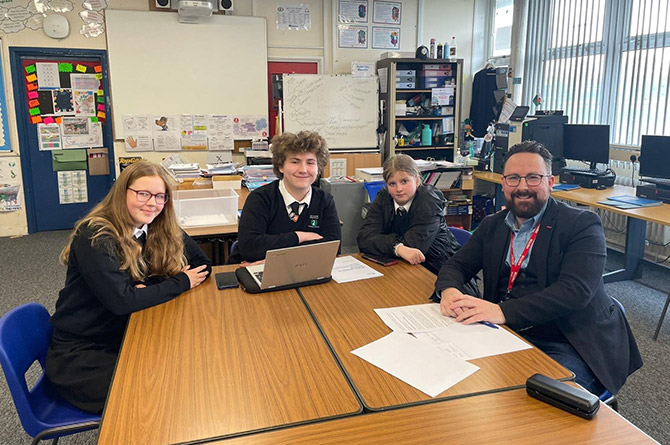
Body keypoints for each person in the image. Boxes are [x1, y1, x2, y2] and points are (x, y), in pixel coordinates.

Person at [434, 140, 642, 395]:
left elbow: (575, 291)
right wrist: (449, 291)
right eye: (513, 178)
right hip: (505, 333)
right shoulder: (492, 225)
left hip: (568, 339)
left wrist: (502, 311)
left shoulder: (582, 225)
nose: (522, 187)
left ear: (550, 182)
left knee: (537, 404)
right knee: (455, 381)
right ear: (503, 182)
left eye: (533, 178)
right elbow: (456, 264)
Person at [45, 161, 212, 414]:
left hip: (129, 333)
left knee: (190, 369)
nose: (152, 203)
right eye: (143, 193)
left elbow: (202, 264)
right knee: (159, 396)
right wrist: (179, 282)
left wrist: (149, 287)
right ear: (123, 191)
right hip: (83, 353)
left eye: (160, 196)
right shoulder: (96, 235)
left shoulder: (158, 224)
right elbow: (123, 302)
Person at [357, 155, 478, 292]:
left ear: (417, 180)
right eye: (392, 183)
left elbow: (414, 248)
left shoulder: (429, 201)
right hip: (403, 271)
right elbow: (364, 239)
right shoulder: (384, 197)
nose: (399, 189)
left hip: (442, 275)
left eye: (404, 181)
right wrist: (398, 248)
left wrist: (390, 245)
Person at [229, 131, 341, 264]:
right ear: (281, 166)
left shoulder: (325, 200)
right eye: (295, 162)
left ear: (319, 167)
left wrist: (276, 260)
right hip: (255, 271)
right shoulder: (259, 198)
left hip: (302, 269)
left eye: (310, 163)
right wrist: (299, 236)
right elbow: (250, 248)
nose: (303, 169)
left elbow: (333, 247)